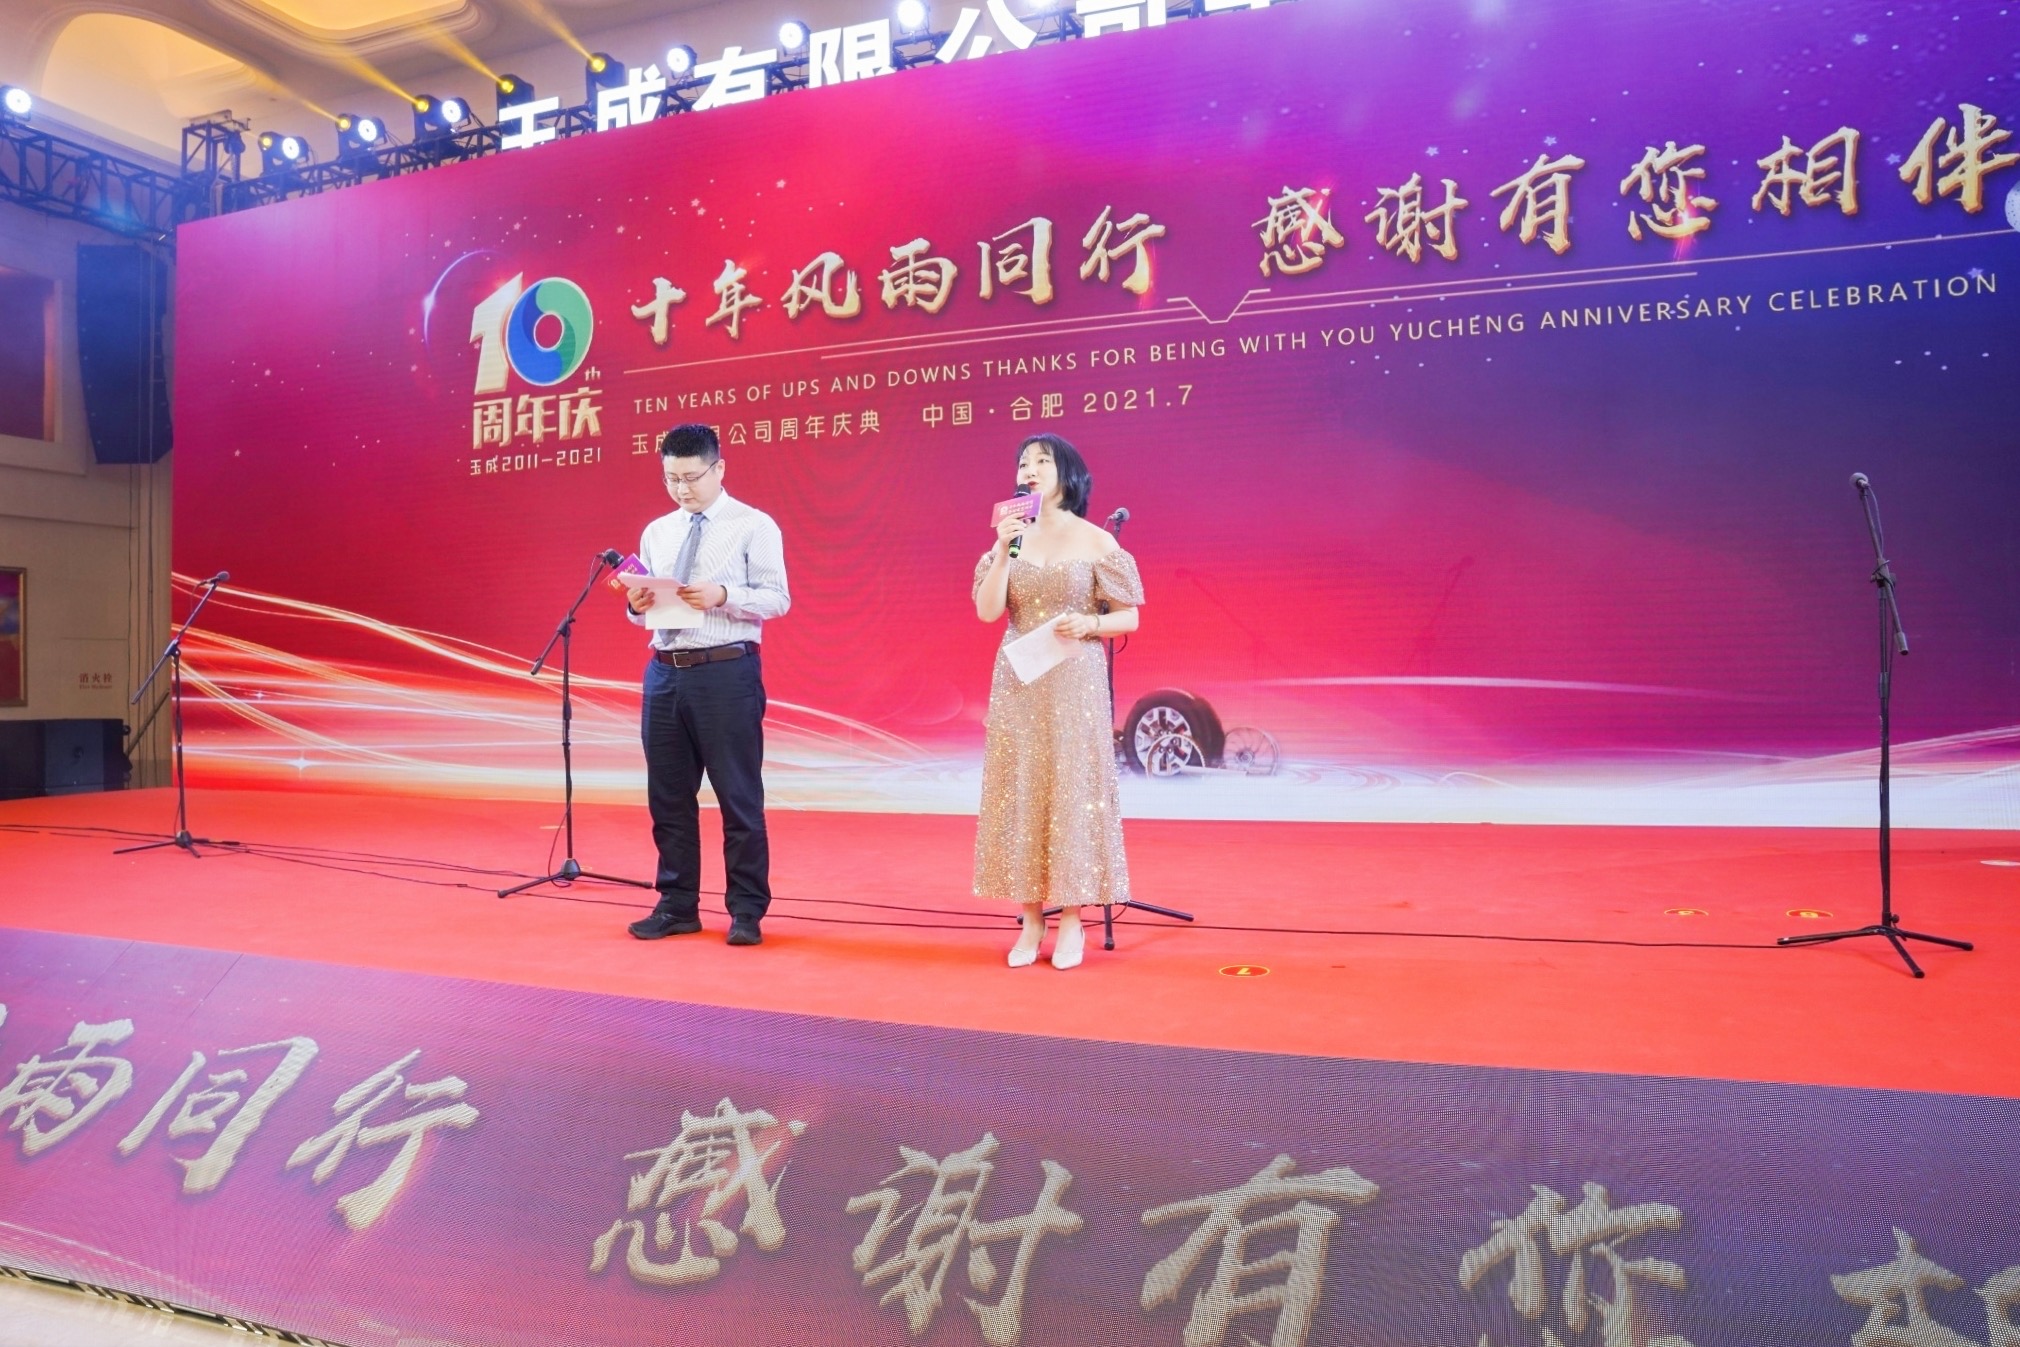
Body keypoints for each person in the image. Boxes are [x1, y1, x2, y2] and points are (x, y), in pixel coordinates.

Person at [972, 433, 1143, 970]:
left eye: (1041, 461)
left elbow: (1129, 615)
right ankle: (1031, 919)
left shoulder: (1095, 540)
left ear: (1067, 472)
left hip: (1075, 679)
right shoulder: (1011, 536)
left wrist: (1090, 624)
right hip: (1020, 679)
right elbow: (988, 611)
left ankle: (1072, 919)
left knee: (1072, 790)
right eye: (1023, 462)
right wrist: (1002, 550)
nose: (1029, 470)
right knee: (1021, 788)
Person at [623, 423, 790, 946]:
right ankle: (677, 905)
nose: (682, 489)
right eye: (671, 478)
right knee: (668, 797)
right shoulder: (657, 531)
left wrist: (723, 595)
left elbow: (778, 598)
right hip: (664, 672)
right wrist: (636, 605)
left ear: (719, 469)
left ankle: (746, 910)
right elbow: (646, 612)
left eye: (692, 477)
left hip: (725, 671)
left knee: (738, 797)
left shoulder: (753, 525)